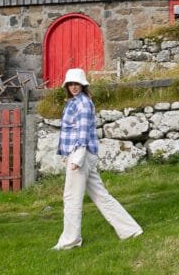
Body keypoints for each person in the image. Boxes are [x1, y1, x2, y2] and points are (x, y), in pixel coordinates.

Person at [53, 68, 143, 250]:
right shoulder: (74, 102)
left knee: (71, 198)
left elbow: (83, 132)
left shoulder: (83, 103)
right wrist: (69, 155)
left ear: (83, 85)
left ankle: (70, 241)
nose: (73, 87)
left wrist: (76, 158)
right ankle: (130, 230)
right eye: (70, 84)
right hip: (81, 154)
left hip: (81, 154)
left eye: (77, 84)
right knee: (101, 196)